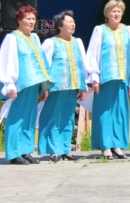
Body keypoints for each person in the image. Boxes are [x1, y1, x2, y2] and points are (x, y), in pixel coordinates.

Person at [85, 0, 130, 160]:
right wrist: (94, 77)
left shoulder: (127, 30)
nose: (117, 13)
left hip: (122, 77)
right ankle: (106, 146)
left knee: (120, 111)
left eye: (119, 11)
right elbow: (93, 54)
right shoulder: (100, 30)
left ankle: (117, 145)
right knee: (105, 111)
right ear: (107, 14)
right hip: (106, 79)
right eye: (113, 11)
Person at [0, 5, 54, 165]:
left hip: (33, 85)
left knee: (29, 118)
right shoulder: (12, 38)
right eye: (28, 18)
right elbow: (7, 61)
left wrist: (44, 86)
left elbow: (40, 63)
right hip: (19, 86)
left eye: (33, 19)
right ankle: (14, 153)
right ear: (20, 20)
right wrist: (9, 84)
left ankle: (26, 150)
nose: (31, 22)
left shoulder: (34, 38)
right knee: (16, 118)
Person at [39, 11, 88, 162]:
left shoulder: (77, 42)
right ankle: (54, 150)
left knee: (68, 119)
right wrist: (44, 87)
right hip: (56, 87)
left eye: (73, 22)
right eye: (69, 22)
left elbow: (82, 65)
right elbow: (44, 65)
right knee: (54, 117)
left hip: (72, 86)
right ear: (60, 26)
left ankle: (66, 149)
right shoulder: (51, 43)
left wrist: (83, 86)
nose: (73, 24)